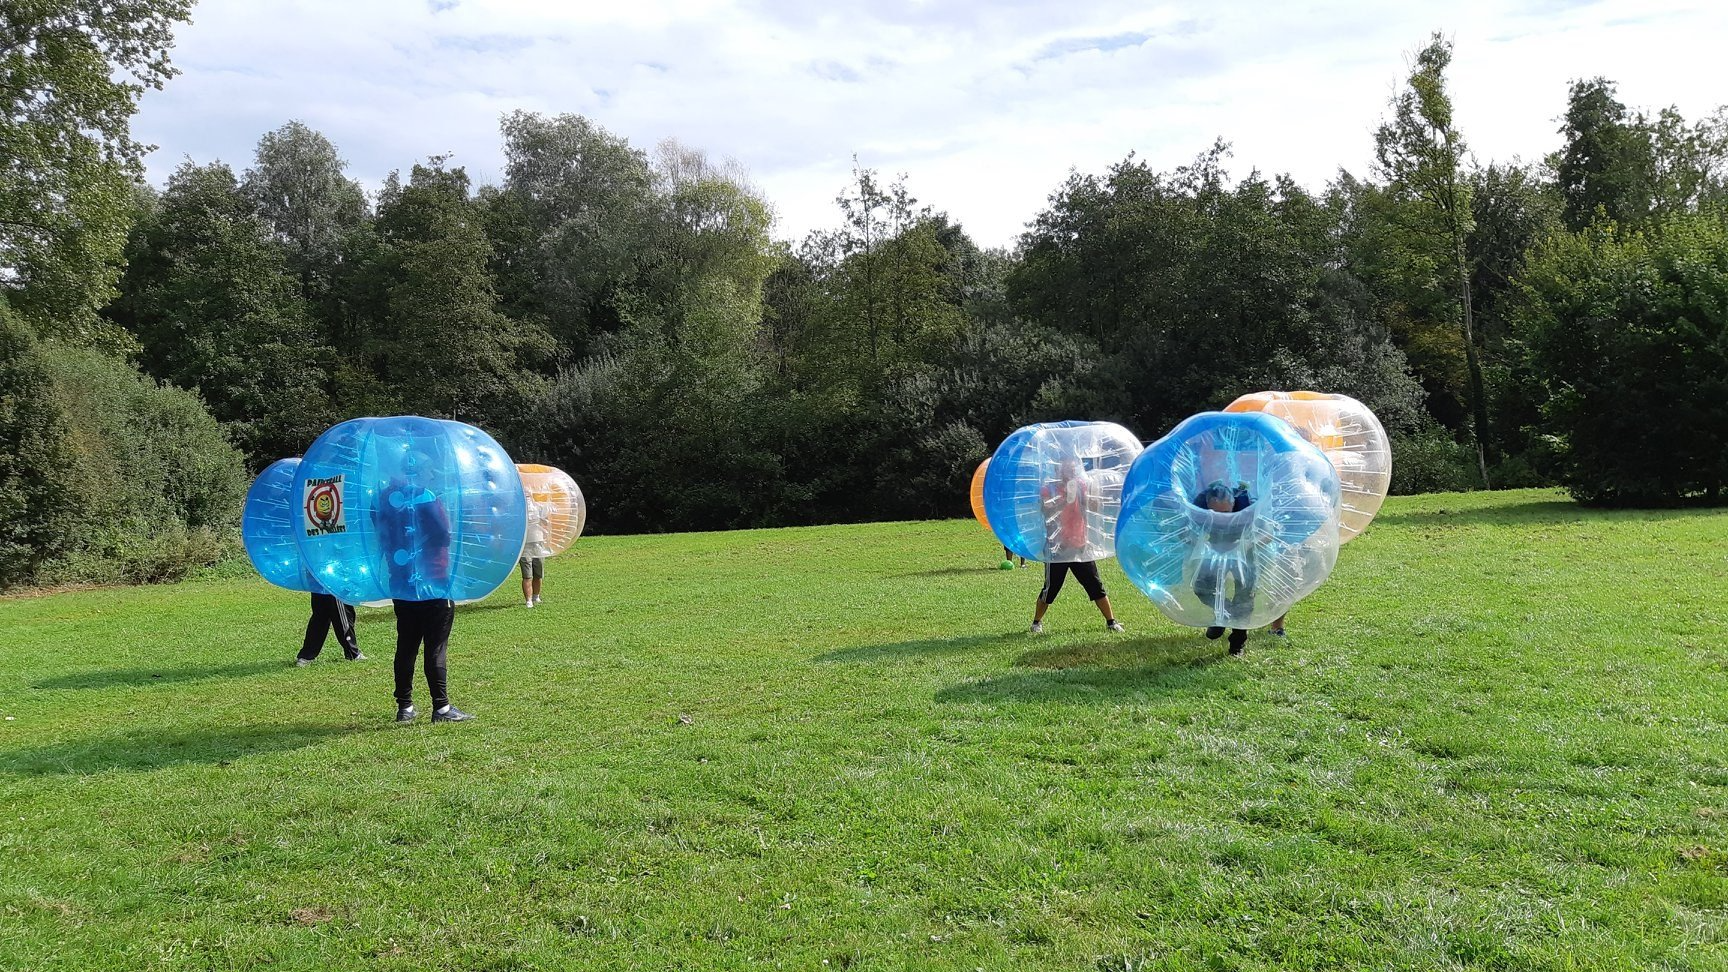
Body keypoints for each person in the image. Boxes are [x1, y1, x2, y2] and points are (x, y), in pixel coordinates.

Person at [375, 463, 472, 724]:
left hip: (402, 582)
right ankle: (441, 708)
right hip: (434, 581)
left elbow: (380, 536)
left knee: (406, 646)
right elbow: (443, 536)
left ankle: (404, 708)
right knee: (435, 646)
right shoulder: (426, 496)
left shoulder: (383, 500)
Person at [1030, 457, 1124, 634]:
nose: (1071, 473)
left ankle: (1111, 622)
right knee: (1051, 588)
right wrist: (1064, 497)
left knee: (1095, 585)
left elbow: (1095, 507)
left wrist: (1091, 495)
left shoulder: (1082, 485)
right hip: (1057, 549)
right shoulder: (1049, 488)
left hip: (1080, 546)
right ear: (1060, 471)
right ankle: (1036, 622)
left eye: (1074, 470)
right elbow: (1045, 510)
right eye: (1068, 470)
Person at [1191, 480, 1255, 655]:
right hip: (1215, 546)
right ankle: (1223, 616)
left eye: (1226, 513)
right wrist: (1192, 540)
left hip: (1243, 547)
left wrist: (1247, 544)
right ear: (1207, 505)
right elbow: (1188, 529)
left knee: (1244, 595)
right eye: (1215, 513)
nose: (1221, 518)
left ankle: (1237, 644)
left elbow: (1267, 532)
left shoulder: (1246, 505)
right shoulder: (1200, 504)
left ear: (1233, 504)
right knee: (1201, 587)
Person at [295, 591, 363, 666]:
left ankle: (306, 656)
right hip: (334, 585)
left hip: (321, 583)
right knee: (340, 616)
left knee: (320, 617)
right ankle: (353, 653)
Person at [520, 495, 552, 607]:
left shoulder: (538, 507)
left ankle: (536, 597)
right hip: (524, 544)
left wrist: (542, 518)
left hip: (538, 542)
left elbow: (546, 523)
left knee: (538, 573)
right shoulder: (519, 509)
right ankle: (528, 600)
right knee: (527, 574)